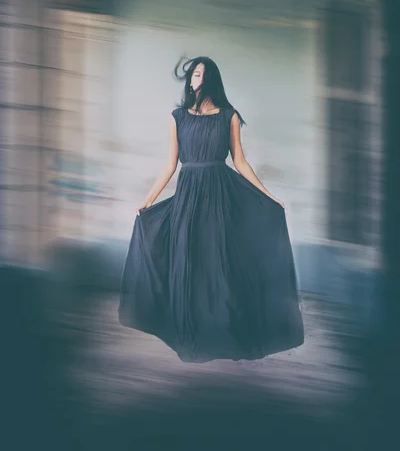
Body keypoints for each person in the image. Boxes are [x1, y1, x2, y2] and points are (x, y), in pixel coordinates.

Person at [118, 57, 304, 362]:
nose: (195, 78)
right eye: (192, 74)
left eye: (201, 74)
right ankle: (189, 336)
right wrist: (148, 199)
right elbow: (170, 164)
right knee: (186, 265)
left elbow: (240, 162)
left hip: (219, 200)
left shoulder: (229, 117)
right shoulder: (177, 117)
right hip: (187, 200)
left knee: (217, 266)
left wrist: (269, 196)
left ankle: (222, 332)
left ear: (211, 80)